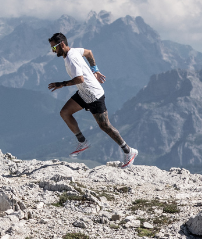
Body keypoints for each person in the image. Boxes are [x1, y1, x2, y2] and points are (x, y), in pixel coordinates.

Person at [46, 32, 137, 167]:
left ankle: (129, 151)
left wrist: (62, 84)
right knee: (65, 112)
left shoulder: (72, 59)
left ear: (62, 44)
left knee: (105, 126)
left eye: (54, 48)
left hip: (94, 95)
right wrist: (95, 69)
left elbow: (79, 79)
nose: (53, 51)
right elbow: (89, 52)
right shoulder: (74, 51)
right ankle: (82, 142)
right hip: (84, 92)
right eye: (52, 48)